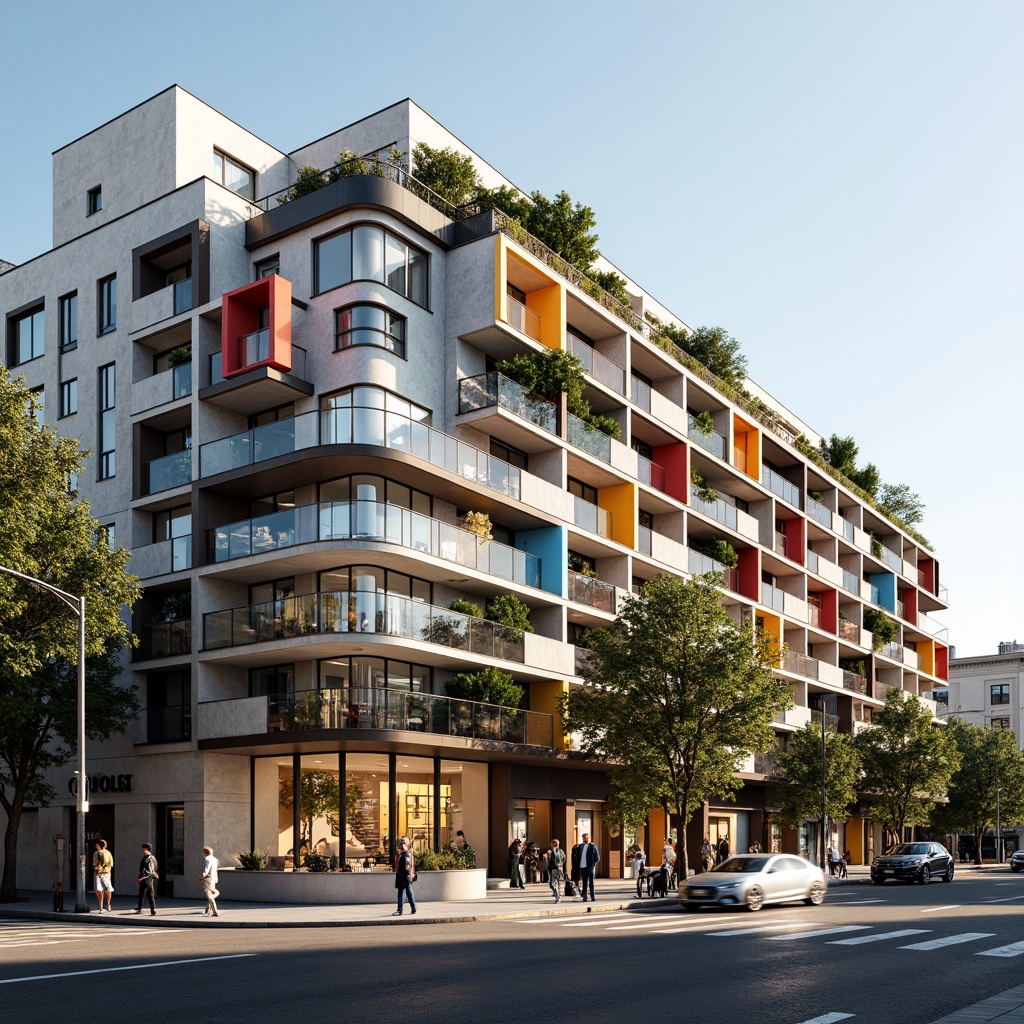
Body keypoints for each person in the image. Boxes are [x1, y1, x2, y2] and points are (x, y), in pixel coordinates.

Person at [393, 836, 416, 916]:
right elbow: (412, 866)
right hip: (408, 876)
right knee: (410, 892)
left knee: (401, 893)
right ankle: (413, 908)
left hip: (402, 876)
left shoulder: (402, 855)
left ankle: (400, 910)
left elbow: (400, 867)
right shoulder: (410, 855)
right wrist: (412, 874)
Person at [134, 843, 158, 916]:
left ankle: (140, 907)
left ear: (145, 849)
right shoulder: (153, 858)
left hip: (145, 878)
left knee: (142, 892)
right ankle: (152, 909)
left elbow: (147, 869)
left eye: (143, 848)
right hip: (150, 878)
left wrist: (141, 877)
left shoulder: (147, 858)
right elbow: (155, 868)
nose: (142, 850)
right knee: (150, 894)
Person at [92, 839, 114, 913]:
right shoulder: (106, 853)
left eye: (97, 845)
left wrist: (98, 867)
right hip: (105, 872)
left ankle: (102, 904)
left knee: (100, 889)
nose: (96, 846)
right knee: (106, 888)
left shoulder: (100, 853)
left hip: (101, 872)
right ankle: (107, 904)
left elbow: (94, 863)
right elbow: (111, 864)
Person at [579, 832, 600, 903]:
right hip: (583, 867)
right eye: (585, 838)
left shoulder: (592, 846)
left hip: (590, 867)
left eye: (587, 838)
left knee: (591, 883)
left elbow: (597, 857)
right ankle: (584, 896)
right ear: (582, 838)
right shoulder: (580, 846)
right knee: (584, 883)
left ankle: (592, 897)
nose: (586, 839)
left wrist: (592, 864)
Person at [199, 845, 220, 917]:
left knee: (210, 896)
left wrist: (202, 876)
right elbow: (215, 871)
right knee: (210, 895)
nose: (202, 853)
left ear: (206, 853)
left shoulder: (207, 859)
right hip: (213, 879)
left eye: (203, 852)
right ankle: (207, 909)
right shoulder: (215, 859)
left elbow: (206, 869)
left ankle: (215, 911)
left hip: (208, 879)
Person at [546, 839, 566, 904]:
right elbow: (549, 861)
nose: (554, 844)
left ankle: (558, 896)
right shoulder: (550, 851)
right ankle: (556, 894)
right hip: (552, 868)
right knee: (552, 884)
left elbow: (564, 858)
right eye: (552, 843)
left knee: (559, 883)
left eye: (555, 843)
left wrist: (560, 864)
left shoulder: (560, 851)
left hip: (558, 868)